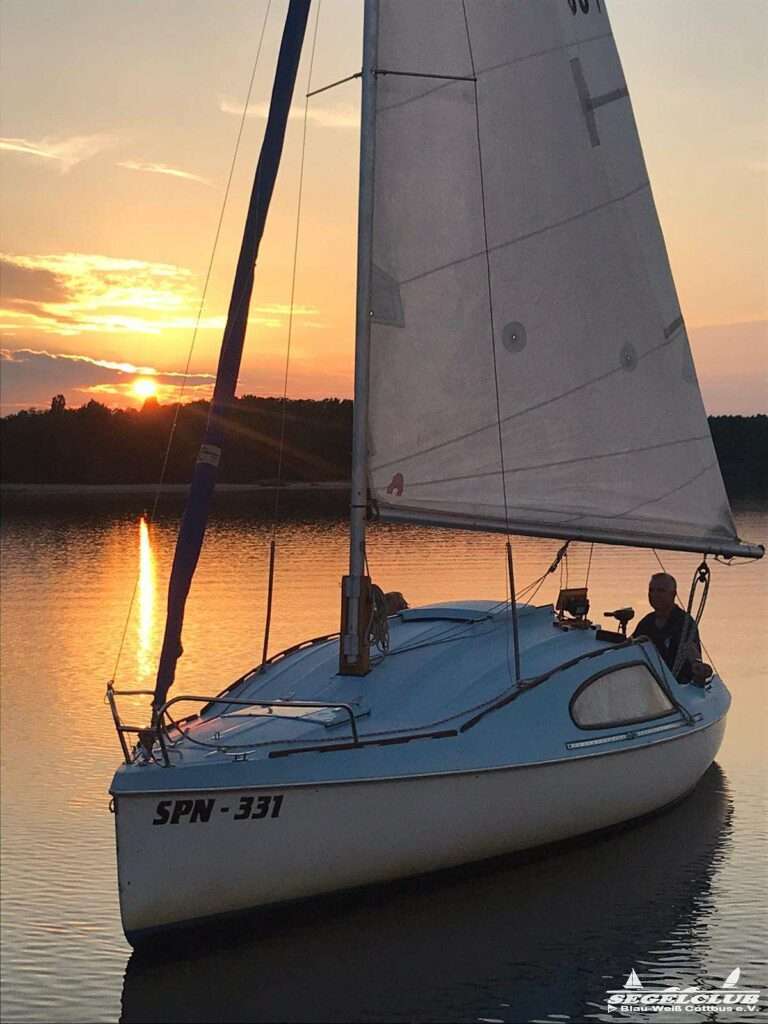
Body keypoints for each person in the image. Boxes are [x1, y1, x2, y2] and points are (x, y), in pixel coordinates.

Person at [632, 572, 711, 683]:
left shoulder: (684, 622)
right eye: (651, 590)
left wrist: (696, 663)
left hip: (678, 684)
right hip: (651, 682)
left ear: (673, 594)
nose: (654, 594)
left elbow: (690, 647)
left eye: (661, 591)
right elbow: (632, 645)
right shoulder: (646, 622)